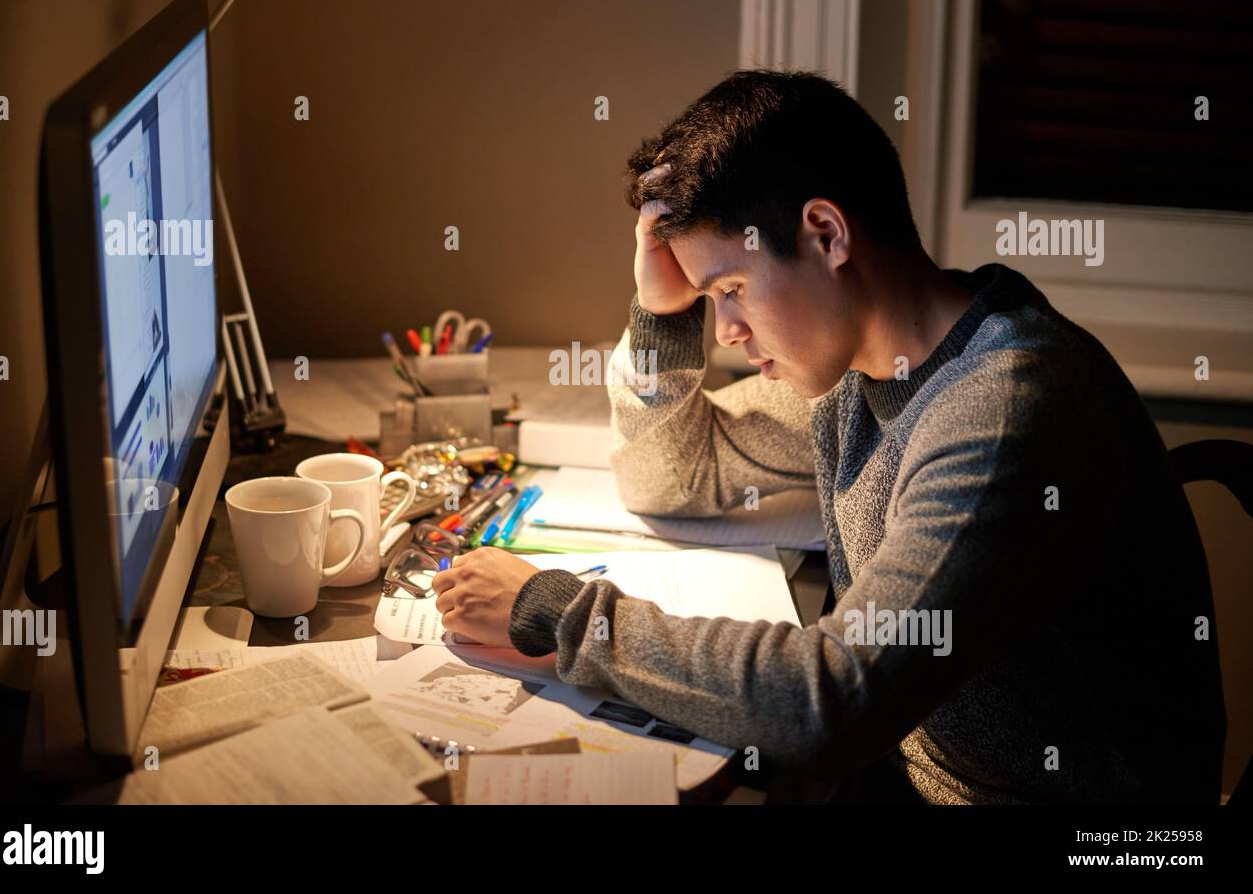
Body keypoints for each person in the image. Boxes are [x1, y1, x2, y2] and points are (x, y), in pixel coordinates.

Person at [430, 70, 1226, 803]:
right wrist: (661, 313)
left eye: (732, 289)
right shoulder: (865, 374)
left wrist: (558, 611)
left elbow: (831, 697)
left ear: (826, 233)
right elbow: (670, 477)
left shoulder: (1002, 413)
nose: (730, 330)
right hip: (905, 779)